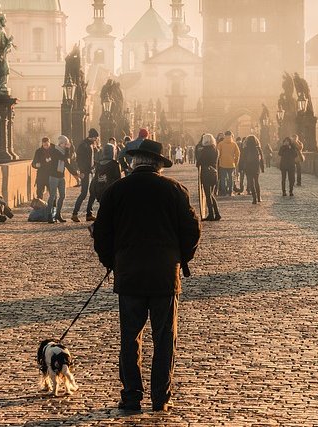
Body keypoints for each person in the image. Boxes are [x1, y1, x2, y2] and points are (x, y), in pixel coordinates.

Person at [93, 139, 200, 413]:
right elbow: (192, 231)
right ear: (159, 166)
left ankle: (131, 397)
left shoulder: (116, 190)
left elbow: (101, 234)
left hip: (129, 275)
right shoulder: (175, 190)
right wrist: (180, 259)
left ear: (133, 162)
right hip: (165, 275)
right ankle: (160, 399)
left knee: (131, 338)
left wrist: (112, 262)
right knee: (164, 339)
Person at [47, 135, 78, 223]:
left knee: (62, 196)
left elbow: (67, 164)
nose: (66, 145)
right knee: (52, 196)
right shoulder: (55, 151)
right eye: (65, 144)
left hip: (61, 177)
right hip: (53, 176)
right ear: (60, 144)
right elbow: (65, 159)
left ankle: (58, 214)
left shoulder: (63, 152)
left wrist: (75, 174)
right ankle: (49, 215)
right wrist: (68, 149)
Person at [71, 128, 98, 222]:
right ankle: (75, 213)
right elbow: (79, 160)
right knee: (83, 193)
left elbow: (90, 158)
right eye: (96, 138)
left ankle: (89, 214)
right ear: (92, 137)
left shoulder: (90, 144)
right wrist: (81, 171)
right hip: (85, 172)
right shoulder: (84, 145)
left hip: (90, 171)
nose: (96, 140)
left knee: (93, 192)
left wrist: (94, 164)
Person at [196, 133, 221, 221]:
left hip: (206, 173)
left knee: (208, 195)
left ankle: (211, 214)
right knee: (210, 194)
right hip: (214, 173)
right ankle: (217, 214)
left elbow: (198, 163)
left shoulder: (204, 151)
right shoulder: (216, 150)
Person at [217, 130, 240, 196]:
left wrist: (219, 160)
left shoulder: (221, 143)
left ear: (225, 136)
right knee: (231, 179)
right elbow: (238, 154)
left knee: (223, 178)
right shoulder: (234, 144)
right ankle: (230, 191)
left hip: (222, 163)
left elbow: (217, 154)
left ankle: (224, 192)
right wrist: (235, 162)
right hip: (231, 164)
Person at [242, 135, 264, 204]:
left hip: (248, 167)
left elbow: (243, 159)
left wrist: (243, 168)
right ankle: (259, 197)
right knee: (256, 182)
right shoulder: (258, 148)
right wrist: (262, 168)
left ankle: (254, 198)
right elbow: (261, 159)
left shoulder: (245, 149)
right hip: (256, 166)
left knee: (251, 183)